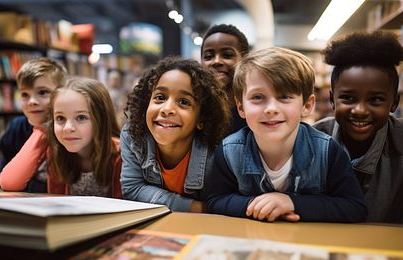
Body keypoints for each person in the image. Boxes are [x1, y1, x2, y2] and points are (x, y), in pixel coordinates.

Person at [203, 47, 367, 223]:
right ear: (241, 107)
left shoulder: (327, 151)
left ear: (307, 105)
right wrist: (256, 205)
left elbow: (355, 207)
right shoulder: (229, 151)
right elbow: (215, 200)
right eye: (258, 97)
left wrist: (292, 202)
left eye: (284, 96)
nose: (271, 109)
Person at [314, 31, 403, 225]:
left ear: (394, 103)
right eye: (348, 98)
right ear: (332, 100)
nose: (359, 110)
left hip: (387, 249)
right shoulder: (313, 139)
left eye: (375, 100)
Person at [120, 57, 231, 212]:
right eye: (160, 97)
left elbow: (221, 203)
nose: (167, 109)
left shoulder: (217, 153)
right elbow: (132, 189)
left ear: (201, 118)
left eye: (184, 102)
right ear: (146, 105)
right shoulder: (132, 136)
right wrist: (195, 208)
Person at [0, 77, 122, 198]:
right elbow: (9, 183)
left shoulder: (121, 154)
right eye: (60, 118)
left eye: (81, 117)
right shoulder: (56, 153)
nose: (68, 128)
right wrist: (43, 130)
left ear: (101, 120)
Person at [0, 57, 67, 192]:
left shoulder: (69, 130)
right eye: (25, 94)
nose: (32, 101)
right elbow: (5, 180)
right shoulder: (16, 128)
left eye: (42, 92)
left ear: (62, 93)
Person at [201, 24, 249, 135]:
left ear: (245, 60)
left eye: (227, 55)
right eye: (208, 56)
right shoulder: (195, 111)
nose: (216, 61)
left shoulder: (253, 111)